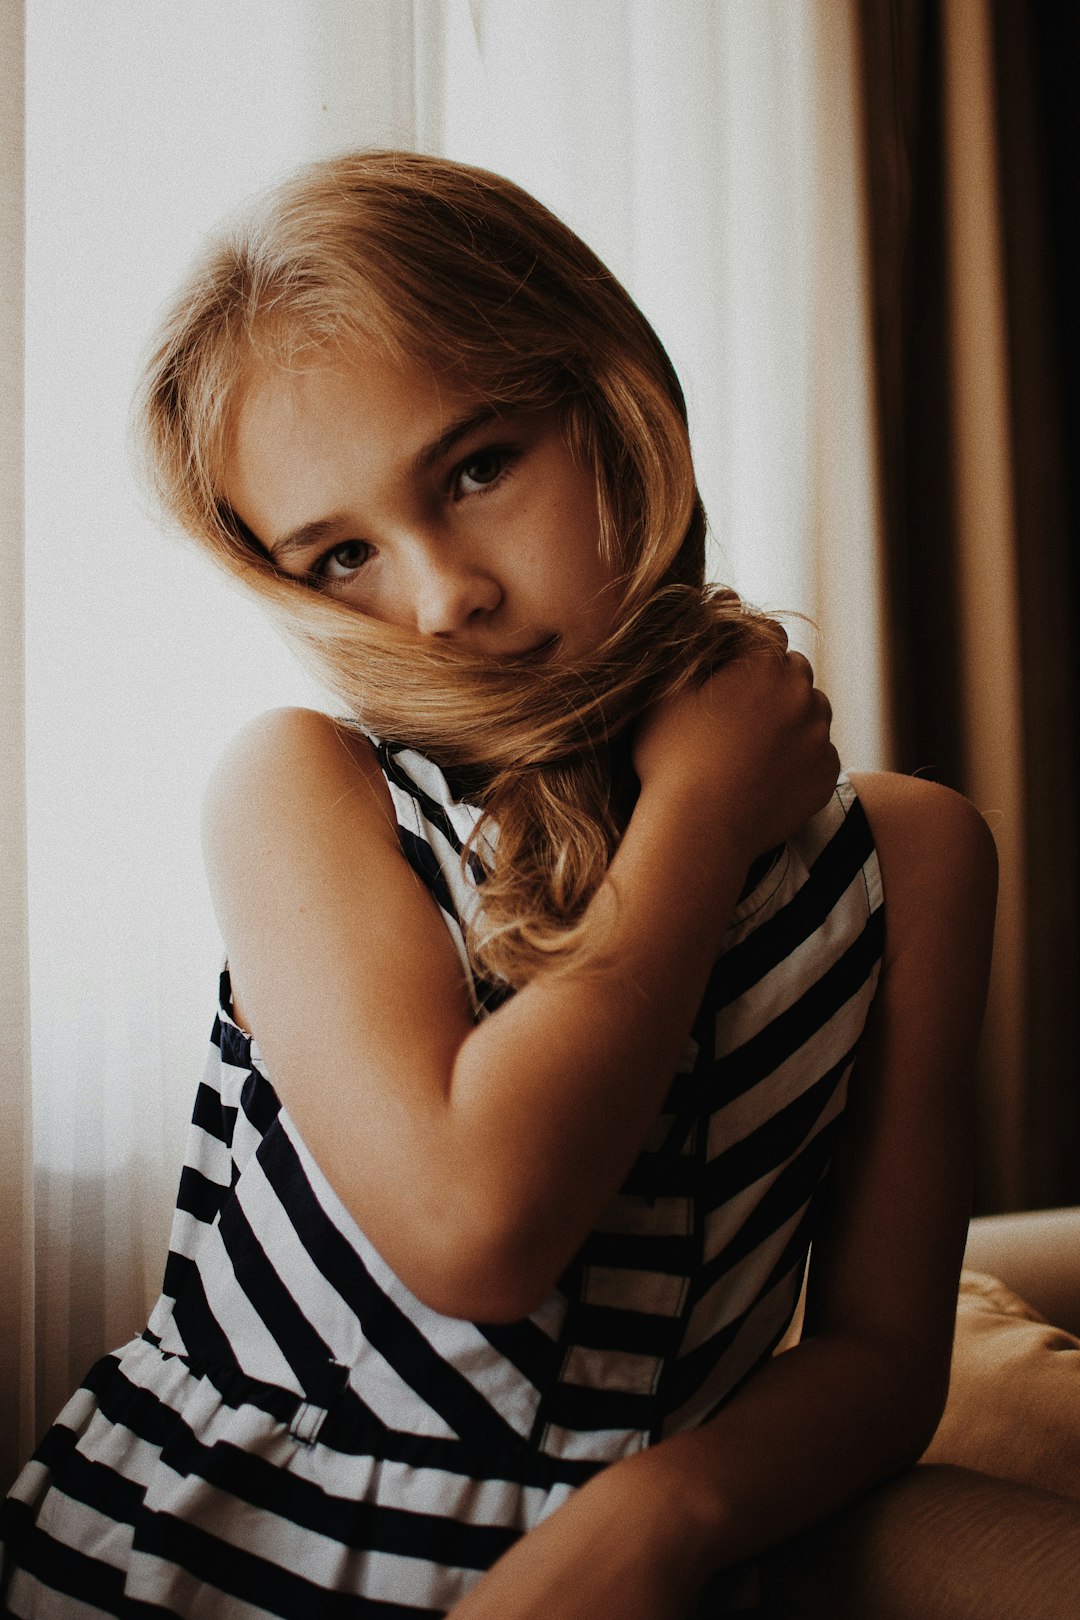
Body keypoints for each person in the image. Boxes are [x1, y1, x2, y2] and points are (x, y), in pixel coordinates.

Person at [0, 151, 996, 1618]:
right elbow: (481, 1223)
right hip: (209, 1567)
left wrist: (665, 1510)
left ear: (612, 403)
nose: (442, 592)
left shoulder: (909, 863)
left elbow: (884, 1358)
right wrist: (700, 819)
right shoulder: (306, 793)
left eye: (476, 468)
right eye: (341, 555)